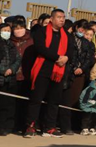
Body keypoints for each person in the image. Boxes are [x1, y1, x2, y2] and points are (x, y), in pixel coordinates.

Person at [25, 8, 76, 138]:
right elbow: (41, 48)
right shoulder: (41, 32)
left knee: (54, 101)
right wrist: (58, 57)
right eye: (59, 17)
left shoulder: (67, 35)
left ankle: (50, 127)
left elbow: (71, 49)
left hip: (59, 71)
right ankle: (31, 126)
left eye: (63, 17)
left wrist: (66, 58)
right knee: (36, 99)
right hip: (43, 69)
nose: (62, 20)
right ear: (52, 19)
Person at [59, 19, 96, 135]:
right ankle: (63, 125)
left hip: (81, 74)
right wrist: (74, 67)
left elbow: (89, 58)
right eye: (81, 28)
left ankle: (71, 125)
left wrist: (81, 68)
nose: (82, 31)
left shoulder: (87, 43)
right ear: (76, 27)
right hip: (68, 72)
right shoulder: (69, 38)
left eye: (84, 29)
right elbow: (69, 55)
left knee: (75, 99)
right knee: (65, 99)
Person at [0, 22, 21, 136]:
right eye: (4, 30)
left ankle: (5, 127)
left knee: (8, 105)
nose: (7, 33)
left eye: (9, 31)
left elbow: (18, 59)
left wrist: (12, 69)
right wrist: (3, 70)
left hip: (10, 79)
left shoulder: (12, 44)